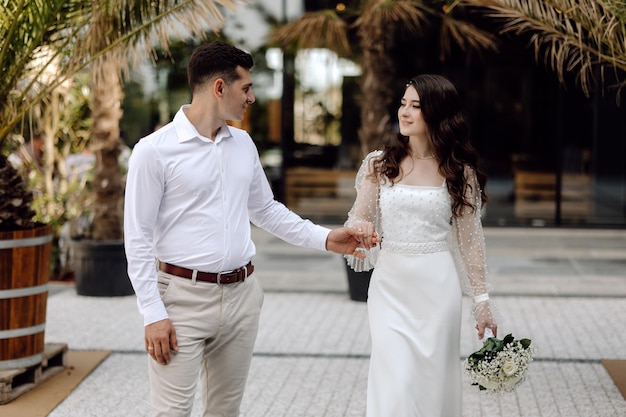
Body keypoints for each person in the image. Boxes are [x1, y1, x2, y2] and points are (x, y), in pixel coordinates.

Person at [123, 40, 375, 417]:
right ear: (219, 88)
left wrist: (325, 238)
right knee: (172, 413)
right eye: (246, 88)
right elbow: (137, 238)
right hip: (180, 301)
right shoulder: (153, 151)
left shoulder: (242, 144)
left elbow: (266, 211)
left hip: (242, 297)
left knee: (226, 411)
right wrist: (153, 313)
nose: (252, 98)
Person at [344, 74, 499, 417]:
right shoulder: (379, 164)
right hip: (390, 287)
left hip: (437, 287)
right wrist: (361, 229)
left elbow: (470, 241)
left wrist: (482, 300)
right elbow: (358, 218)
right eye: (403, 104)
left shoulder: (459, 171)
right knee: (394, 381)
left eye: (416, 106)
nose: (405, 112)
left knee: (432, 382)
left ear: (437, 114)